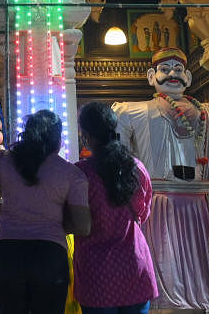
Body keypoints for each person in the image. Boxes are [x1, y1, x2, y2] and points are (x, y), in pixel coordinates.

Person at [113, 46, 209, 311]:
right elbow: (120, 159)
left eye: (179, 69)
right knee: (163, 259)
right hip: (158, 204)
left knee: (203, 260)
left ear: (189, 78)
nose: (172, 74)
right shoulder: (131, 112)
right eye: (165, 69)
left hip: (203, 205)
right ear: (151, 76)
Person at [0, 109, 91, 314]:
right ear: (57, 139)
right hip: (49, 254)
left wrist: (7, 209)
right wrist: (54, 222)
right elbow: (83, 226)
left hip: (7, 252)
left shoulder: (2, 160)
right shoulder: (72, 174)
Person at [73, 102, 157, 314]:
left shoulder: (81, 174)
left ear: (87, 136)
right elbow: (143, 212)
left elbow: (74, 220)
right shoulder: (136, 167)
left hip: (96, 275)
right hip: (134, 267)